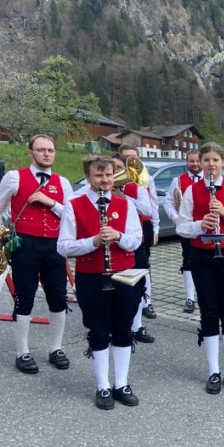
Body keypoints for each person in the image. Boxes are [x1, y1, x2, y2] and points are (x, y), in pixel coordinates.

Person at [57, 156, 142, 410]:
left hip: (124, 275)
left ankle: (122, 383)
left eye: (108, 175)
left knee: (123, 329)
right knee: (99, 331)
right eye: (98, 175)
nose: (104, 180)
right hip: (92, 276)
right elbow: (63, 246)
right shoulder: (74, 205)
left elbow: (136, 241)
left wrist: (118, 236)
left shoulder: (125, 205)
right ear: (88, 177)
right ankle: (103, 385)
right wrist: (92, 242)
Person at [0, 134, 72, 374]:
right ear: (31, 153)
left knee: (58, 296)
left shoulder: (62, 182)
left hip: (55, 246)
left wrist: (49, 202)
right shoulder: (14, 177)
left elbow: (72, 216)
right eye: (41, 149)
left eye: (50, 150)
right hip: (25, 245)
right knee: (25, 297)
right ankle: (22, 352)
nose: (46, 154)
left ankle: (56, 348)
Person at [177, 142, 224, 395]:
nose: (211, 164)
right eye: (206, 160)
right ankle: (213, 371)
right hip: (202, 257)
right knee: (209, 313)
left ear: (222, 163)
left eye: (215, 160)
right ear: (200, 162)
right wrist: (202, 224)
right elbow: (181, 227)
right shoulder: (192, 190)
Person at [112, 151, 155, 344]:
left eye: (119, 169)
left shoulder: (136, 188)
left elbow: (147, 210)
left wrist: (122, 197)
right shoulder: (96, 188)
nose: (115, 173)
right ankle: (116, 325)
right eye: (111, 169)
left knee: (135, 285)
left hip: (133, 242)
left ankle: (136, 326)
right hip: (108, 243)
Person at [118, 144, 160, 322]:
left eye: (133, 159)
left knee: (142, 267)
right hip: (117, 233)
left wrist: (156, 227)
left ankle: (146, 302)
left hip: (141, 230)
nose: (130, 163)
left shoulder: (143, 179)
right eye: (126, 158)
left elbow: (151, 206)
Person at [164, 150, 203, 314]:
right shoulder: (178, 180)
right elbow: (168, 202)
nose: (194, 164)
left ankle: (204, 295)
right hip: (187, 228)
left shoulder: (209, 179)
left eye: (197, 161)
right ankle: (190, 298)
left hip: (205, 228)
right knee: (188, 261)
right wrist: (175, 218)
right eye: (191, 161)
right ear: (187, 162)